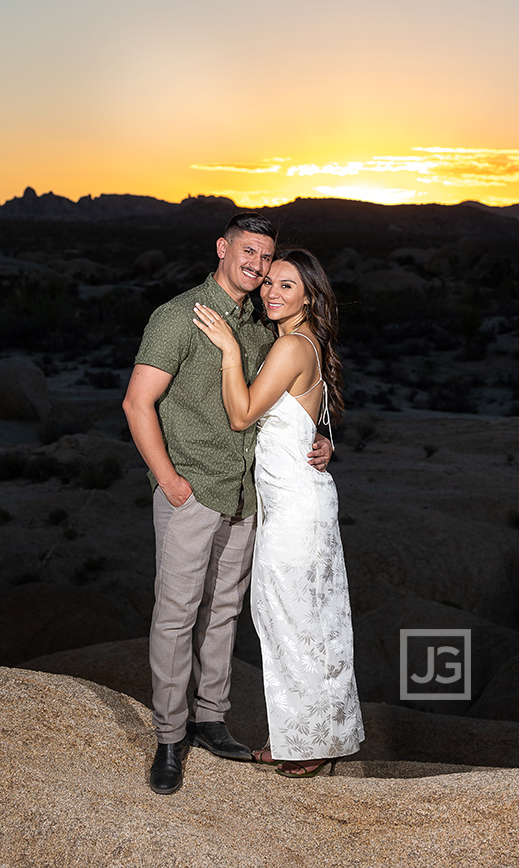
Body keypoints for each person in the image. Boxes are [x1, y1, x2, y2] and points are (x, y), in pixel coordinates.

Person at [122, 214, 332, 795]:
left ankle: (210, 718)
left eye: (267, 258)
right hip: (193, 488)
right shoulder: (178, 316)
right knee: (177, 611)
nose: (258, 267)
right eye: (248, 252)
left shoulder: (265, 323)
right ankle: (170, 736)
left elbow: (296, 393)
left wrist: (322, 436)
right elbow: (137, 403)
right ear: (223, 248)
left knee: (222, 611)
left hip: (247, 493)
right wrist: (169, 481)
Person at [193, 247, 364, 777]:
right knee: (306, 622)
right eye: (269, 283)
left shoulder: (291, 344)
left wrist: (226, 350)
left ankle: (309, 744)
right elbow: (309, 415)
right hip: (297, 501)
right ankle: (313, 736)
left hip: (294, 509)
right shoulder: (304, 340)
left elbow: (243, 415)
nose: (271, 292)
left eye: (286, 285)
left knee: (292, 622)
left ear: (308, 294)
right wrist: (325, 439)